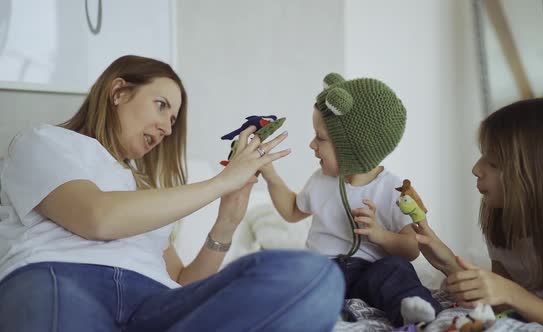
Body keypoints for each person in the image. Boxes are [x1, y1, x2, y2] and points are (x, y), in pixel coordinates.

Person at [0, 55, 345, 332]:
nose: (167, 127)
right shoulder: (43, 142)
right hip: (61, 279)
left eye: (173, 119)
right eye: (161, 105)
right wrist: (218, 183)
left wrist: (225, 223)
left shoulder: (145, 190)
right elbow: (97, 217)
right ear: (118, 92)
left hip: (154, 303)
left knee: (315, 276)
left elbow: (183, 281)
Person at [260, 73, 441, 326]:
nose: (312, 145)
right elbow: (291, 211)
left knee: (395, 270)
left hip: (369, 272)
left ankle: (416, 315)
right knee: (289, 271)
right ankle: (333, 314)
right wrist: (269, 174)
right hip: (323, 270)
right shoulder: (320, 181)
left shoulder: (392, 188)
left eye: (320, 138)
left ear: (356, 146)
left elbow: (411, 249)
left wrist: (381, 235)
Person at [414, 97, 543, 326]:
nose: (476, 169)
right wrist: (449, 264)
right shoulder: (503, 223)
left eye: (494, 163)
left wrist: (512, 293)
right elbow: (503, 302)